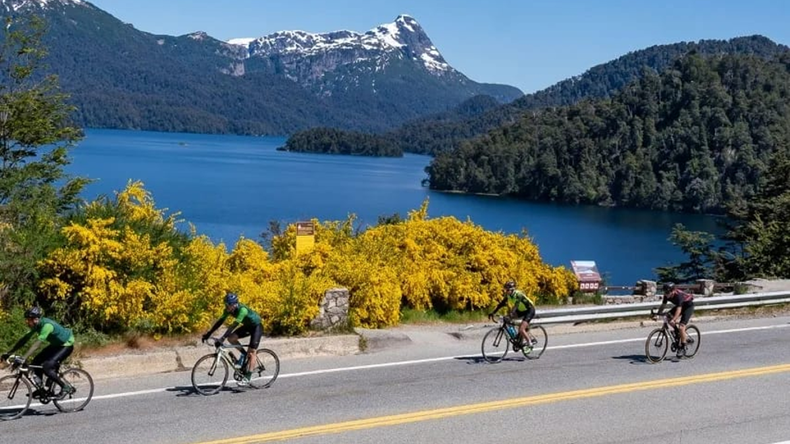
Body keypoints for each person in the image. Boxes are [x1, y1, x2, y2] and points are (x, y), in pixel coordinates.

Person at [1, 307, 76, 399]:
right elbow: (24, 339)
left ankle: (65, 387)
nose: (27, 322)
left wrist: (24, 357)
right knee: (35, 362)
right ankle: (41, 389)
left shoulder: (47, 326)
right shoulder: (36, 326)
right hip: (55, 345)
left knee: (47, 366)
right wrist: (10, 352)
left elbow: (37, 344)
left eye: (28, 320)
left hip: (66, 345)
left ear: (35, 319)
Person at [201, 292, 263, 386]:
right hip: (247, 326)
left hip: (256, 327)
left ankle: (248, 377)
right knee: (231, 338)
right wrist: (208, 334)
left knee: (252, 352)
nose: (226, 307)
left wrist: (222, 338)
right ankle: (244, 354)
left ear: (234, 304)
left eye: (228, 305)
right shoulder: (228, 310)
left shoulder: (242, 310)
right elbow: (220, 322)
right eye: (225, 304)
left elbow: (233, 325)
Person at [488, 280, 537, 351]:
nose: (506, 291)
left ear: (512, 290)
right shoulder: (509, 296)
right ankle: (519, 337)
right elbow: (501, 304)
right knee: (507, 319)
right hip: (521, 310)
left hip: (529, 310)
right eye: (506, 290)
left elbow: (516, 306)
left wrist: (511, 314)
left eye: (507, 290)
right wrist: (493, 312)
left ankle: (530, 343)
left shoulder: (518, 294)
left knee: (521, 329)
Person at [654, 282, 695, 357]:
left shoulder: (678, 296)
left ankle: (683, 347)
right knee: (668, 317)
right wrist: (658, 314)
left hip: (688, 307)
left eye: (667, 292)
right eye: (665, 292)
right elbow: (663, 305)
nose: (666, 294)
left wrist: (674, 319)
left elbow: (679, 310)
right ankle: (678, 334)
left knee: (681, 327)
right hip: (680, 306)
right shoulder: (666, 295)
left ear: (673, 291)